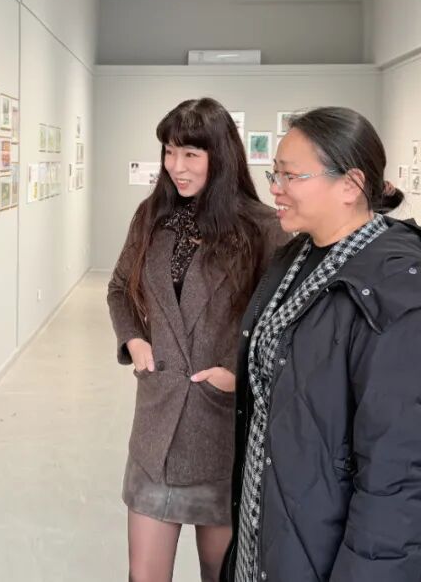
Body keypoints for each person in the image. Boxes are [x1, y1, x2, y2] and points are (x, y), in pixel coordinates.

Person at [221, 107, 421, 582]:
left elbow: (399, 474)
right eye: (275, 174)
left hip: (334, 554)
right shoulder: (298, 257)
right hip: (279, 537)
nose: (275, 188)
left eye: (291, 176)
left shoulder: (399, 293)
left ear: (351, 184)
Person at [107, 98, 290, 582]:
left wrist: (240, 376)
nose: (176, 166)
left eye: (191, 154)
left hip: (220, 431)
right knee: (144, 575)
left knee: (221, 572)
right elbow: (119, 288)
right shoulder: (152, 216)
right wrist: (134, 340)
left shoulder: (263, 228)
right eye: (170, 152)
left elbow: (287, 324)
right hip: (156, 427)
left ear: (220, 156)